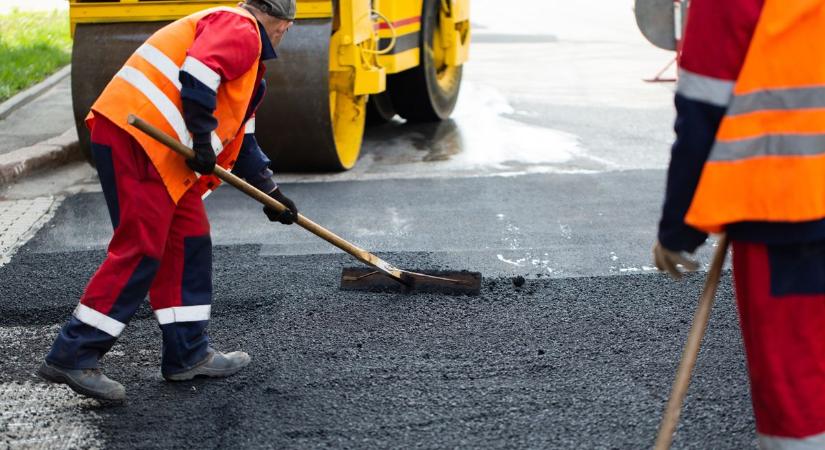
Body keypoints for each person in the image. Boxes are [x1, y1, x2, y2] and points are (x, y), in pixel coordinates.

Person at [37, 0, 300, 401]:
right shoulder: (240, 26)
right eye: (288, 25)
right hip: (140, 141)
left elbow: (243, 142)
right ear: (280, 19)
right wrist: (198, 137)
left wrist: (272, 195)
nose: (286, 33)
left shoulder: (250, 72)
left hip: (163, 153)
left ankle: (187, 354)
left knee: (189, 241)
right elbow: (197, 72)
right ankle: (74, 353)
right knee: (142, 248)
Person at [654, 0, 825, 447]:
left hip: (789, 215)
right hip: (794, 212)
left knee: (799, 397)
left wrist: (679, 232)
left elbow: (702, 115)